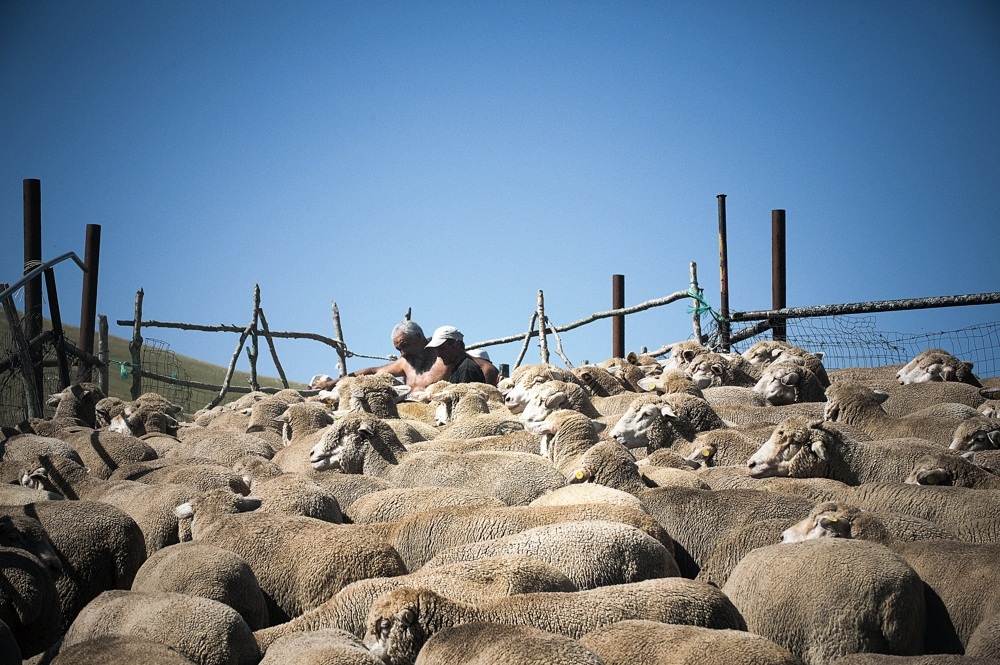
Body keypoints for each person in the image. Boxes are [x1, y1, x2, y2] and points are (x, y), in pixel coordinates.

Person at [309, 320, 444, 392]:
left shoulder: (443, 353)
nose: (402, 353)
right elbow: (373, 372)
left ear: (418, 337)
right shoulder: (405, 362)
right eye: (399, 349)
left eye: (405, 346)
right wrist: (330, 384)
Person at [424, 325, 490, 384]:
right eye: (437, 349)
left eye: (442, 348)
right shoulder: (460, 368)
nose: (439, 354)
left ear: (457, 344)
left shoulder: (466, 369)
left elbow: (465, 394)